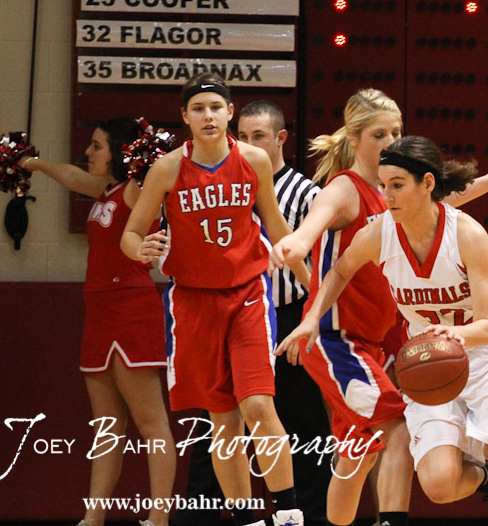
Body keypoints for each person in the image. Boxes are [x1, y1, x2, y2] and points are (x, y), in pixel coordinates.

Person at [268, 88, 488, 526]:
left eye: (396, 131)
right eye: (379, 134)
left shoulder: (393, 191)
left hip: (378, 339)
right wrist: (295, 244)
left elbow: (440, 202)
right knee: (398, 428)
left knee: (357, 453)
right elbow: (314, 225)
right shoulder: (345, 188)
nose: (391, 141)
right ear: (354, 139)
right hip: (339, 340)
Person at [120, 73, 303, 526]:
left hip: (247, 295)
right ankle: (248, 519)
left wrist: (314, 289)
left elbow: (277, 226)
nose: (208, 115)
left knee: (257, 404)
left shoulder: (254, 160)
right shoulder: (167, 169)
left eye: (216, 107)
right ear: (185, 117)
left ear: (230, 113)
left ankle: (288, 513)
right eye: (198, 108)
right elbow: (131, 233)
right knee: (223, 420)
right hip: (194, 302)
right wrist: (139, 249)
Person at [172, 100, 331, 526]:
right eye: (242, 135)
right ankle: (213, 518)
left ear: (280, 139)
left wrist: (318, 307)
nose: (247, 143)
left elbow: (315, 254)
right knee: (219, 424)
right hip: (224, 312)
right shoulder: (205, 176)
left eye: (257, 136)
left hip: (287, 315)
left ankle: (304, 516)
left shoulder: (306, 193)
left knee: (298, 426)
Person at [19, 118, 175, 526]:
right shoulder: (106, 189)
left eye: (96, 146)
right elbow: (72, 177)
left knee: (151, 421)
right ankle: (93, 518)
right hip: (99, 311)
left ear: (120, 151)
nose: (88, 153)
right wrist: (33, 164)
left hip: (132, 307)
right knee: (106, 427)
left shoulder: (137, 189)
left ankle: (159, 519)